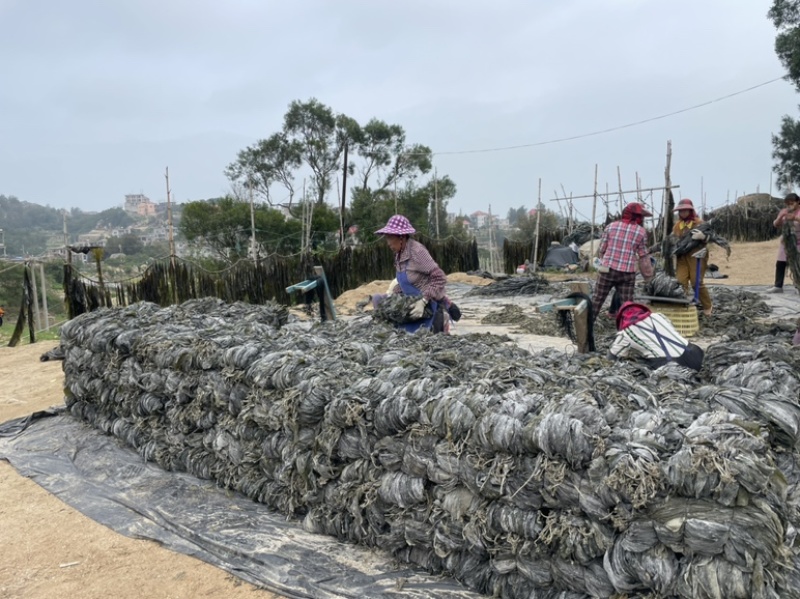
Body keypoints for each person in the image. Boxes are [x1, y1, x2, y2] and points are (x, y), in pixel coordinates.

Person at [371, 215, 449, 333]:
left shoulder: (417, 251)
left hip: (427, 311)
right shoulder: (399, 255)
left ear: (401, 237)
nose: (388, 243)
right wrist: (393, 296)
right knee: (378, 299)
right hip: (411, 309)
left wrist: (423, 301)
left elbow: (439, 278)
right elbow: (407, 282)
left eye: (389, 238)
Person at [591, 202, 652, 321]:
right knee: (627, 306)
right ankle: (627, 331)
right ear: (637, 217)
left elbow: (602, 250)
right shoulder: (641, 232)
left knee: (597, 300)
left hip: (607, 270)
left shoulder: (611, 226)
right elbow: (643, 257)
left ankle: (584, 330)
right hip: (627, 274)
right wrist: (648, 277)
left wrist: (603, 263)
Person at [609, 301, 704, 371]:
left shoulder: (626, 333)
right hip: (696, 354)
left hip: (671, 366)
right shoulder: (659, 316)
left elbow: (612, 358)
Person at [672, 198, 712, 316]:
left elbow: (712, 237)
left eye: (686, 210)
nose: (683, 213)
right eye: (681, 211)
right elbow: (674, 240)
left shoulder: (700, 224)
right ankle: (682, 305)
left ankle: (707, 305)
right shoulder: (677, 226)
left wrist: (703, 237)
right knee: (680, 282)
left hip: (697, 255)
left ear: (691, 211)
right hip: (682, 257)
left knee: (696, 282)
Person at [766, 192, 800, 293]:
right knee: (781, 263)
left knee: (797, 264)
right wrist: (780, 217)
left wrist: (794, 218)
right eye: (788, 204)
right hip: (786, 241)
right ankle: (778, 285)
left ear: (798, 202)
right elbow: (776, 224)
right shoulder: (785, 211)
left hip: (798, 241)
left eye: (792, 203)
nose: (790, 205)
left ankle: (798, 285)